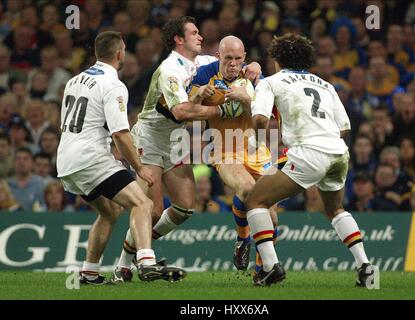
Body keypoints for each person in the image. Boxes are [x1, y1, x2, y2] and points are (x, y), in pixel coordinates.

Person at [111, 16, 261, 282]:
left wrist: (254, 67)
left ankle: (140, 247)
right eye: (194, 33)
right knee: (151, 208)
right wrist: (220, 109)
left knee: (184, 207)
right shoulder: (170, 70)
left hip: (175, 142)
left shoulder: (201, 62)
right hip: (150, 140)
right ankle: (126, 265)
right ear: (179, 40)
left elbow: (233, 61)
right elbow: (180, 111)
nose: (200, 37)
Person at [56, 31, 185, 285]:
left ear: (96, 53)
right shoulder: (113, 84)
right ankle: (146, 262)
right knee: (142, 204)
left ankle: (89, 273)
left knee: (109, 211)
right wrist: (140, 167)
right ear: (119, 53)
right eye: (124, 49)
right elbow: (121, 134)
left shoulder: (74, 80)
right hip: (91, 158)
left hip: (66, 160)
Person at [245, 33, 373, 287]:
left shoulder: (271, 82)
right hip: (338, 151)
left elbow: (260, 119)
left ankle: (271, 267)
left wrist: (258, 142)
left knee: (256, 200)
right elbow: (344, 127)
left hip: (309, 153)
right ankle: (366, 267)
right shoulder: (325, 84)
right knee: (335, 209)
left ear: (276, 60)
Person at [189, 35, 278, 273]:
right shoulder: (205, 74)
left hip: (257, 150)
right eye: (228, 58)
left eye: (238, 59)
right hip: (224, 148)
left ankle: (262, 273)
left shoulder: (255, 77)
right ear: (218, 56)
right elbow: (186, 107)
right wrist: (201, 96)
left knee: (272, 217)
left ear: (245, 58)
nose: (233, 64)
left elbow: (267, 118)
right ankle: (243, 238)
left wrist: (247, 100)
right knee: (249, 191)